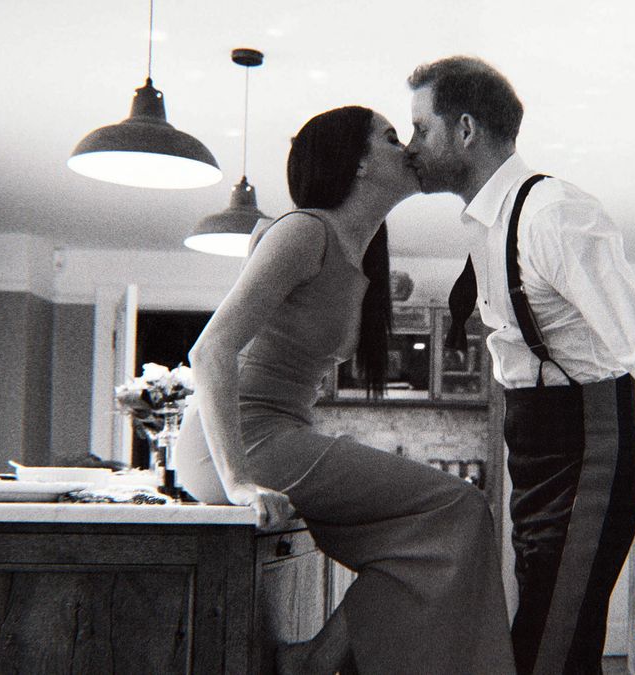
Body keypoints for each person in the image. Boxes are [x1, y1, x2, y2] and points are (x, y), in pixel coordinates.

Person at [404, 56, 635, 675]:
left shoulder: (553, 213)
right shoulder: (483, 223)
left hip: (589, 446)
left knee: (549, 648)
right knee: (549, 640)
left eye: (421, 129)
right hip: (531, 446)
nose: (412, 146)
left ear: (465, 129)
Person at [187, 105, 515, 675]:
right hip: (238, 443)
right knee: (460, 508)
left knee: (438, 539)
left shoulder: (357, 254)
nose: (408, 147)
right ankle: (317, 661)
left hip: (275, 434)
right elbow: (209, 349)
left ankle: (318, 659)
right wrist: (238, 481)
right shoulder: (304, 231)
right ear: (358, 162)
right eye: (393, 137)